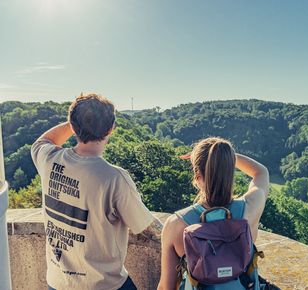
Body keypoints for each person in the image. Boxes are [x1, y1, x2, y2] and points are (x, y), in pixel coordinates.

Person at [31, 93, 164, 290]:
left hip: (58, 282)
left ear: (73, 126)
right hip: (103, 284)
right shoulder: (113, 178)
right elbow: (149, 228)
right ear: (111, 129)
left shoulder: (50, 159)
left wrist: (74, 122)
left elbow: (43, 140)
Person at [157, 137, 269, 290]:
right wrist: (225, 157)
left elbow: (166, 287)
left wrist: (216, 158)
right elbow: (261, 172)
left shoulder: (175, 224)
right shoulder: (251, 207)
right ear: (230, 171)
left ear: (197, 176)